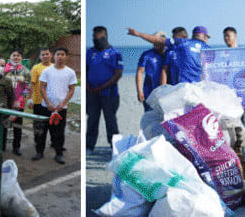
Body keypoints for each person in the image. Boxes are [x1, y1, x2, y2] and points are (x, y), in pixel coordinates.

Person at [36, 47, 77, 164]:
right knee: (42, 131)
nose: (60, 56)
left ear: (66, 57)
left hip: (61, 108)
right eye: (57, 54)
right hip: (46, 107)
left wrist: (63, 103)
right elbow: (42, 87)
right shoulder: (47, 71)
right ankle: (39, 152)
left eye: (62, 54)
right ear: (54, 56)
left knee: (59, 132)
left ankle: (59, 154)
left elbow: (72, 89)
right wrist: (48, 103)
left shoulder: (70, 72)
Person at [129, 25, 209, 84]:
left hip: (181, 86)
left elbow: (159, 40)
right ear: (205, 36)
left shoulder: (182, 42)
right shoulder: (209, 49)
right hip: (199, 87)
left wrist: (138, 34)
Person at [86, 26, 122, 154]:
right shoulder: (90, 52)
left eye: (97, 37)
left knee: (110, 121)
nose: (95, 40)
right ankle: (89, 146)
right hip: (92, 93)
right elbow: (86, 69)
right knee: (92, 120)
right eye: (93, 37)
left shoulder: (115, 52)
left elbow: (118, 74)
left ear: (104, 36)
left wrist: (102, 87)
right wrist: (88, 86)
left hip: (109, 93)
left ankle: (114, 147)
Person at [5, 50, 31, 155]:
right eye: (14, 55)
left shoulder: (25, 71)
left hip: (19, 103)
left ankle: (16, 147)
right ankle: (1, 146)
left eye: (18, 55)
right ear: (10, 57)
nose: (16, 57)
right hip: (5, 102)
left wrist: (19, 100)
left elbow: (27, 88)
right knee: (4, 125)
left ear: (21, 58)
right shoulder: (4, 69)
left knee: (18, 126)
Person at [136, 31, 168, 111]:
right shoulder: (146, 55)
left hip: (167, 92)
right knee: (150, 118)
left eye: (157, 41)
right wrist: (139, 91)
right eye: (153, 41)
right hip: (149, 91)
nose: (155, 43)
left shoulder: (169, 54)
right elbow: (140, 72)